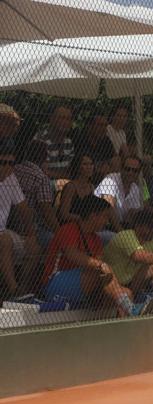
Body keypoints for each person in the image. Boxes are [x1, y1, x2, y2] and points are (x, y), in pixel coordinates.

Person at [41, 195, 151, 316]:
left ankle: (123, 322)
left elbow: (102, 271)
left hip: (86, 284)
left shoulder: (96, 239)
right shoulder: (68, 229)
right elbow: (73, 255)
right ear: (94, 216)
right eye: (105, 217)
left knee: (127, 293)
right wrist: (100, 265)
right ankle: (132, 310)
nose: (107, 221)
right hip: (55, 283)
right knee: (99, 272)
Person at [0, 106, 41, 298]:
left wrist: (31, 234)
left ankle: (23, 292)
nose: (7, 167)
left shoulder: (10, 177)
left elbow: (24, 209)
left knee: (34, 246)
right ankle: (13, 290)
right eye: (3, 163)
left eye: (11, 163)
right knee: (5, 240)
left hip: (3, 232)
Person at [103, 208, 153, 305]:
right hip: (113, 283)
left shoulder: (152, 243)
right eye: (150, 227)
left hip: (133, 283)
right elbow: (142, 257)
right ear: (138, 226)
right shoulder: (126, 236)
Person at [14, 139, 60, 249]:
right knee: (60, 242)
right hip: (32, 227)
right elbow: (47, 211)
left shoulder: (15, 169)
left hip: (11, 222)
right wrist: (60, 233)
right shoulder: (40, 178)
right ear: (44, 157)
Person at [94, 155, 144, 233]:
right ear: (121, 169)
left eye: (135, 170)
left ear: (138, 173)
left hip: (122, 226)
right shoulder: (110, 179)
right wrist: (120, 232)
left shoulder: (135, 188)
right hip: (101, 227)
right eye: (127, 169)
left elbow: (131, 214)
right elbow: (108, 208)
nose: (130, 173)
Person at [34, 105, 74, 180]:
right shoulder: (41, 139)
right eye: (62, 118)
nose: (65, 122)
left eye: (68, 119)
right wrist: (64, 176)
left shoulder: (69, 142)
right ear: (52, 119)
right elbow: (42, 172)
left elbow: (70, 169)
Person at [75, 115, 118, 182]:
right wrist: (98, 167)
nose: (104, 129)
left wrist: (108, 165)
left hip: (104, 175)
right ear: (90, 126)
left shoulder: (106, 140)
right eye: (100, 125)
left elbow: (116, 159)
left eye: (105, 125)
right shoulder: (80, 140)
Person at [58, 153, 96, 224]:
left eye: (91, 164)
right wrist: (82, 218)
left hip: (85, 226)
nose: (89, 167)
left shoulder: (91, 187)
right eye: (85, 164)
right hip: (70, 226)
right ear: (77, 166)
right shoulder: (71, 187)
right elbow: (63, 215)